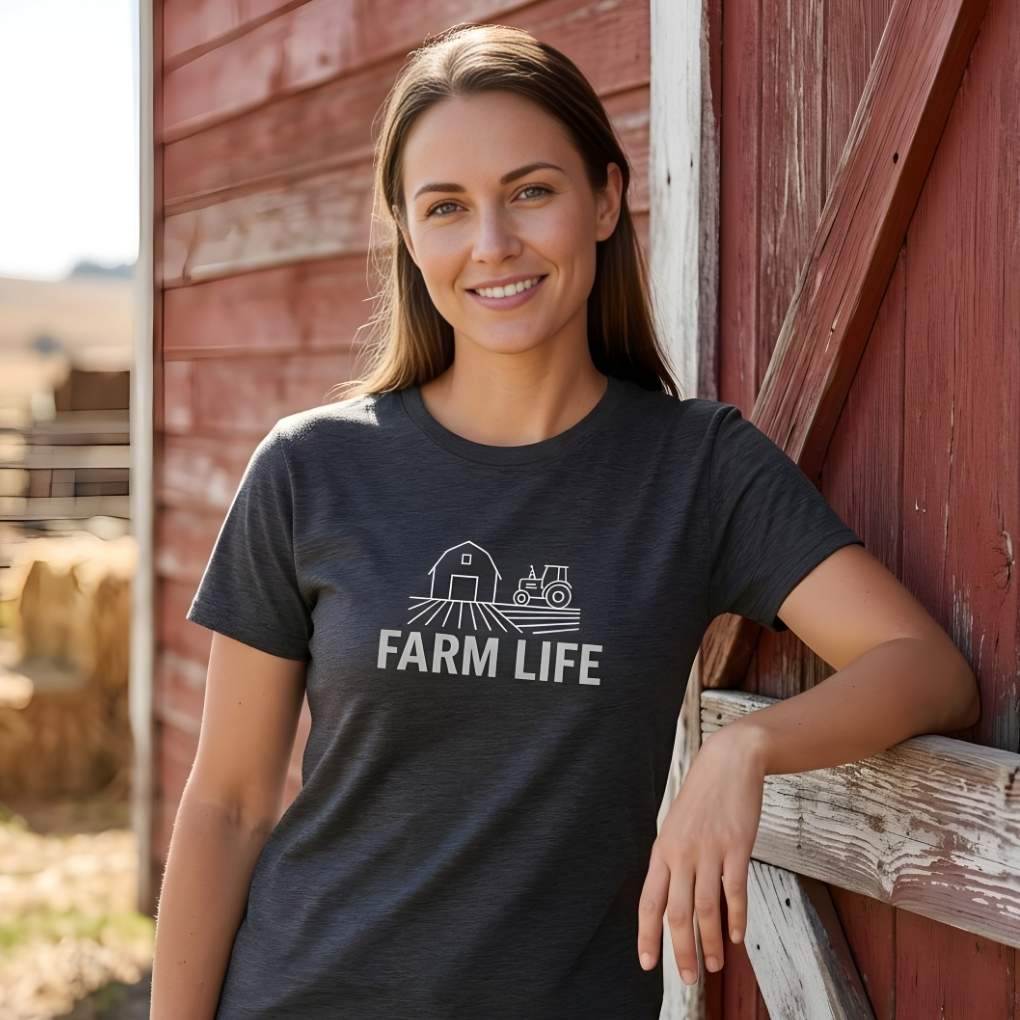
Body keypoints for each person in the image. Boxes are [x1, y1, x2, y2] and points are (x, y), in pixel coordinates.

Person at [149, 22, 981, 1020]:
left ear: (603, 198)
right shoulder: (310, 469)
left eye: (530, 190)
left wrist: (744, 751)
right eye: (446, 207)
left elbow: (925, 667)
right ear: (410, 237)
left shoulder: (696, 469)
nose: (492, 244)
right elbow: (228, 808)